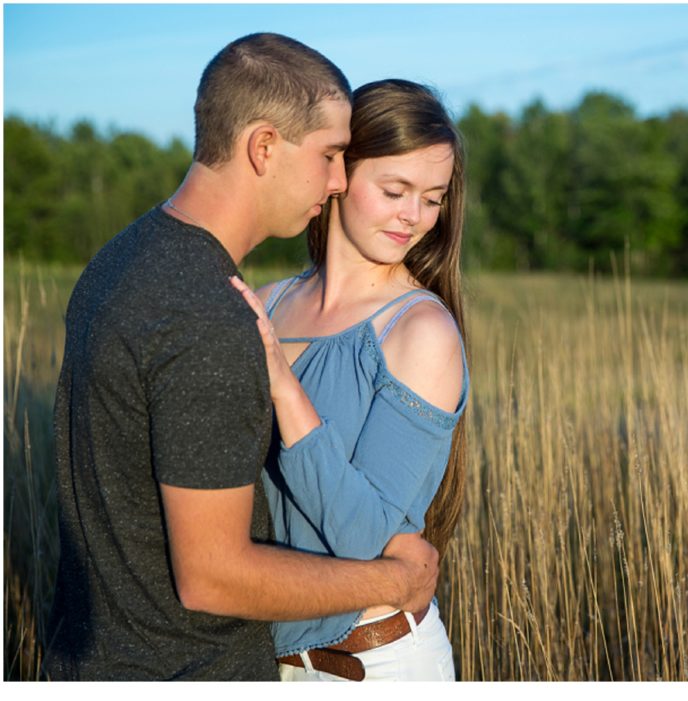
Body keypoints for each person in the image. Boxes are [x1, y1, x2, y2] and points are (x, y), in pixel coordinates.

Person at [45, 34, 438, 681]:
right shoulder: (211, 316)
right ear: (263, 147)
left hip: (91, 657)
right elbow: (214, 577)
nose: (339, 180)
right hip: (180, 669)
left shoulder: (117, 262)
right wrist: (393, 579)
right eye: (331, 155)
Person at [229, 79, 469, 681]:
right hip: (263, 663)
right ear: (338, 172)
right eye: (395, 190)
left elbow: (363, 537)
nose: (413, 217)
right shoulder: (268, 302)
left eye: (433, 198)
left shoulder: (421, 332)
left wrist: (283, 385)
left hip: (376, 666)